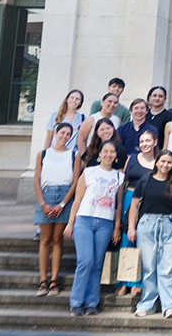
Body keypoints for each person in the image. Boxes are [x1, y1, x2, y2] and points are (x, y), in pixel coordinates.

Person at [64, 139, 124, 316]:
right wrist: (70, 222)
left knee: (97, 263)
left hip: (105, 223)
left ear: (115, 156)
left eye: (112, 152)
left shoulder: (119, 176)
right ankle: (76, 301)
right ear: (99, 154)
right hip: (85, 220)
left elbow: (118, 204)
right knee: (85, 261)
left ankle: (91, 302)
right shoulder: (89, 172)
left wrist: (117, 227)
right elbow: (78, 199)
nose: (108, 155)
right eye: (105, 151)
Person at [128, 149, 172, 317]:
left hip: (170, 224)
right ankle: (147, 303)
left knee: (167, 267)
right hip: (147, 224)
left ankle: (169, 305)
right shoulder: (145, 180)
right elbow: (135, 205)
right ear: (157, 162)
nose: (165, 165)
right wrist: (131, 227)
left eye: (169, 162)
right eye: (163, 161)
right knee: (149, 267)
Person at [33, 122, 81, 298]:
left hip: (65, 196)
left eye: (68, 134)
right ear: (56, 133)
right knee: (45, 239)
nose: (64, 136)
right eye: (62, 133)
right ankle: (42, 279)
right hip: (46, 195)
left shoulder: (74, 155)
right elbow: (37, 180)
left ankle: (54, 279)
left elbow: (76, 181)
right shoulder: (43, 154)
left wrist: (62, 203)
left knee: (57, 238)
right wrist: (43, 203)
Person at [117, 129, 157, 298]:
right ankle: (124, 282)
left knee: (143, 242)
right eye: (142, 141)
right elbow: (123, 181)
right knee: (127, 241)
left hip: (148, 203)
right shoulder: (132, 158)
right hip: (129, 199)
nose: (145, 144)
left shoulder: (158, 161)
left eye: (148, 141)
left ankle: (137, 283)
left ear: (155, 142)